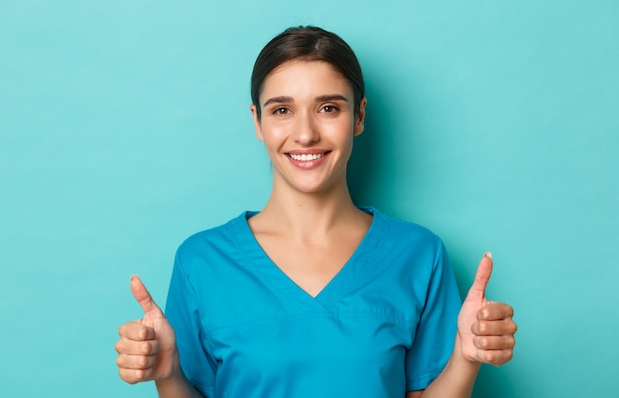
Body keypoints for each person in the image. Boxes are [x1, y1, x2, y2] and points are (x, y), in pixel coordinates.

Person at [115, 26, 517, 398]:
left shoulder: (418, 254)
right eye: (281, 110)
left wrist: (465, 356)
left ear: (358, 116)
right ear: (257, 122)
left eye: (328, 108)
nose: (305, 133)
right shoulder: (202, 262)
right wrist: (168, 376)